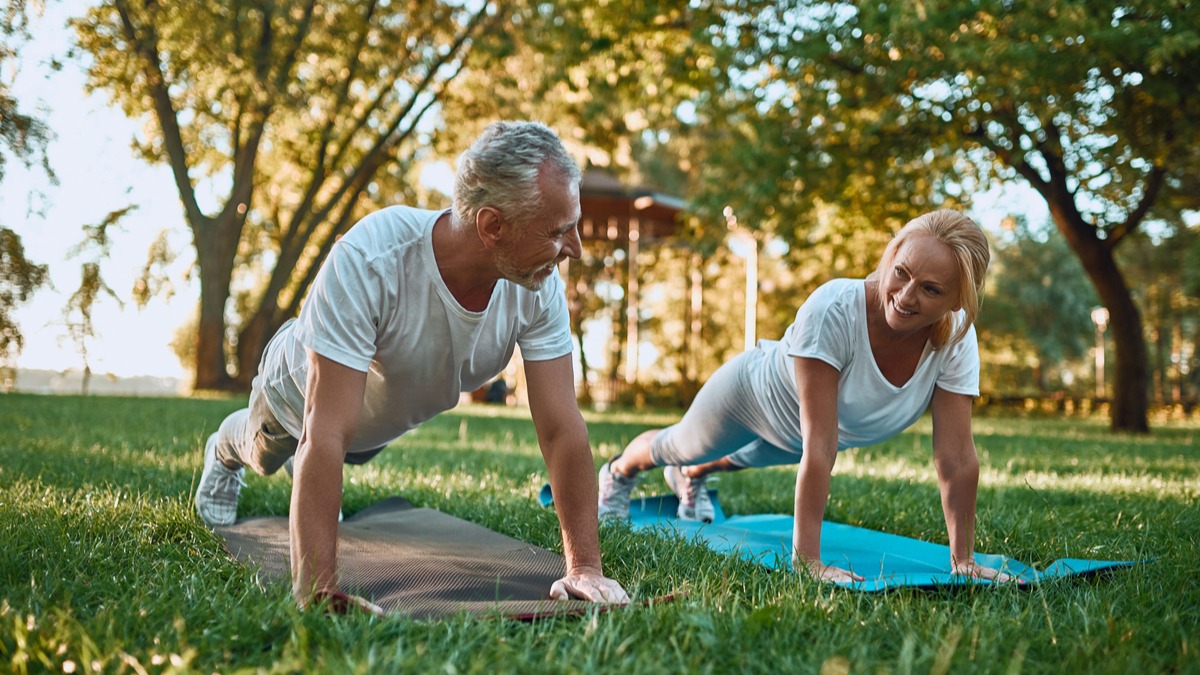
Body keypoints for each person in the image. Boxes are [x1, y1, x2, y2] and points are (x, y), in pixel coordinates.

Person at [195, 120, 629, 612]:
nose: (573, 249)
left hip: (373, 422)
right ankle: (223, 450)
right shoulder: (372, 259)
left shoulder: (535, 284)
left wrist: (585, 569)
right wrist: (317, 590)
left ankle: (309, 471)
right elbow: (324, 432)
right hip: (297, 394)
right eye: (557, 232)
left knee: (349, 449)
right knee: (267, 450)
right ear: (491, 226)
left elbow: (561, 427)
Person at [597, 209, 1014, 583]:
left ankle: (693, 478)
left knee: (727, 460)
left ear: (959, 298)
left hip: (799, 437)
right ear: (889, 258)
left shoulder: (956, 339)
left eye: (931, 289)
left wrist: (964, 560)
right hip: (752, 397)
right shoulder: (834, 308)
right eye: (901, 272)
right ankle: (619, 474)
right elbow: (820, 443)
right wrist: (808, 561)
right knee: (679, 446)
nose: (905, 297)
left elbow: (956, 456)